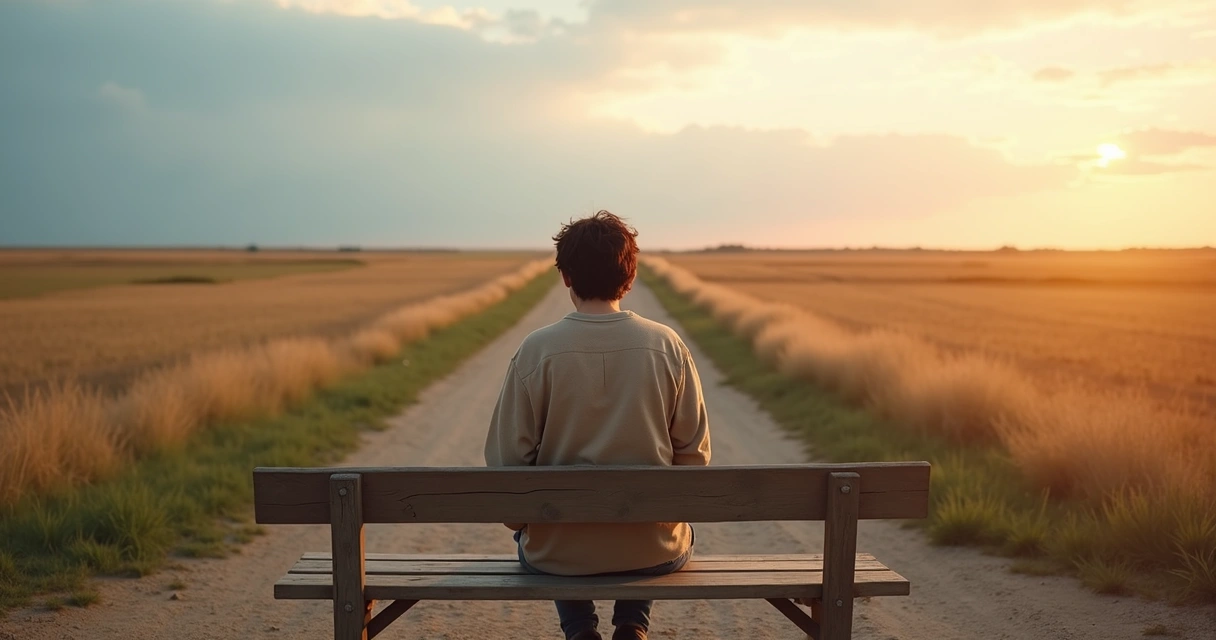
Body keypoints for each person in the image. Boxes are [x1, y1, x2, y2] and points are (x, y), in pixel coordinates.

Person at [484, 211, 711, 640]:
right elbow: (695, 459)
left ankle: (579, 629)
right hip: (653, 550)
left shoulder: (536, 351)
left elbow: (507, 467)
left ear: (566, 277)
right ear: (630, 274)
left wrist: (525, 523)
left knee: (539, 541)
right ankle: (632, 624)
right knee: (672, 531)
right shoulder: (668, 346)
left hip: (558, 554)